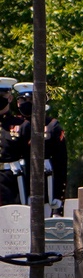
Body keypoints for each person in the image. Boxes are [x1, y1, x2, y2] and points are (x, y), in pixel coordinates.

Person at [13, 82, 67, 216]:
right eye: (23, 100)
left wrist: (58, 196)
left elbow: (61, 164)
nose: (26, 103)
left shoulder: (52, 126)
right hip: (20, 185)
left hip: (46, 185)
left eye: (30, 99)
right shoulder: (16, 125)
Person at [0, 77, 29, 206]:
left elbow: (29, 161)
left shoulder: (22, 125)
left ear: (10, 98)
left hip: (11, 181)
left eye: (2, 95)